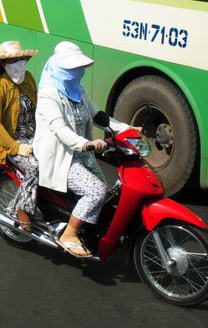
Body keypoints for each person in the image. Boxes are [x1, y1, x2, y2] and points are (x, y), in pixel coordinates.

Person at [33, 42, 131, 258]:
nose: (77, 72)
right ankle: (69, 234)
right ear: (58, 67)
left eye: (79, 67)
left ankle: (86, 226)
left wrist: (128, 129)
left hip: (79, 153)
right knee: (96, 190)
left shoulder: (78, 90)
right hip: (60, 155)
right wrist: (85, 143)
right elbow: (59, 128)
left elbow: (98, 117)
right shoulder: (49, 94)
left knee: (108, 192)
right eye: (72, 68)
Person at [0, 40, 40, 232]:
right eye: (13, 60)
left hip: (35, 137)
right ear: (3, 65)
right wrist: (17, 147)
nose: (19, 63)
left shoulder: (30, 79)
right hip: (12, 143)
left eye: (21, 59)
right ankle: (22, 210)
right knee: (34, 168)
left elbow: (38, 110)